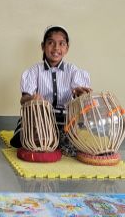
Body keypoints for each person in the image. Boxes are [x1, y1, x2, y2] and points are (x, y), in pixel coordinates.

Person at [9, 25, 91, 154]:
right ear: (43, 46)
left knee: (82, 138)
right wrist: (31, 98)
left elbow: (78, 93)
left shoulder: (72, 70)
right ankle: (50, 139)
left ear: (67, 48)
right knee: (29, 137)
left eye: (61, 44)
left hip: (66, 119)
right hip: (40, 118)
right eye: (51, 43)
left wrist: (80, 93)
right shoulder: (34, 71)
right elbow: (23, 99)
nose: (56, 48)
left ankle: (57, 139)